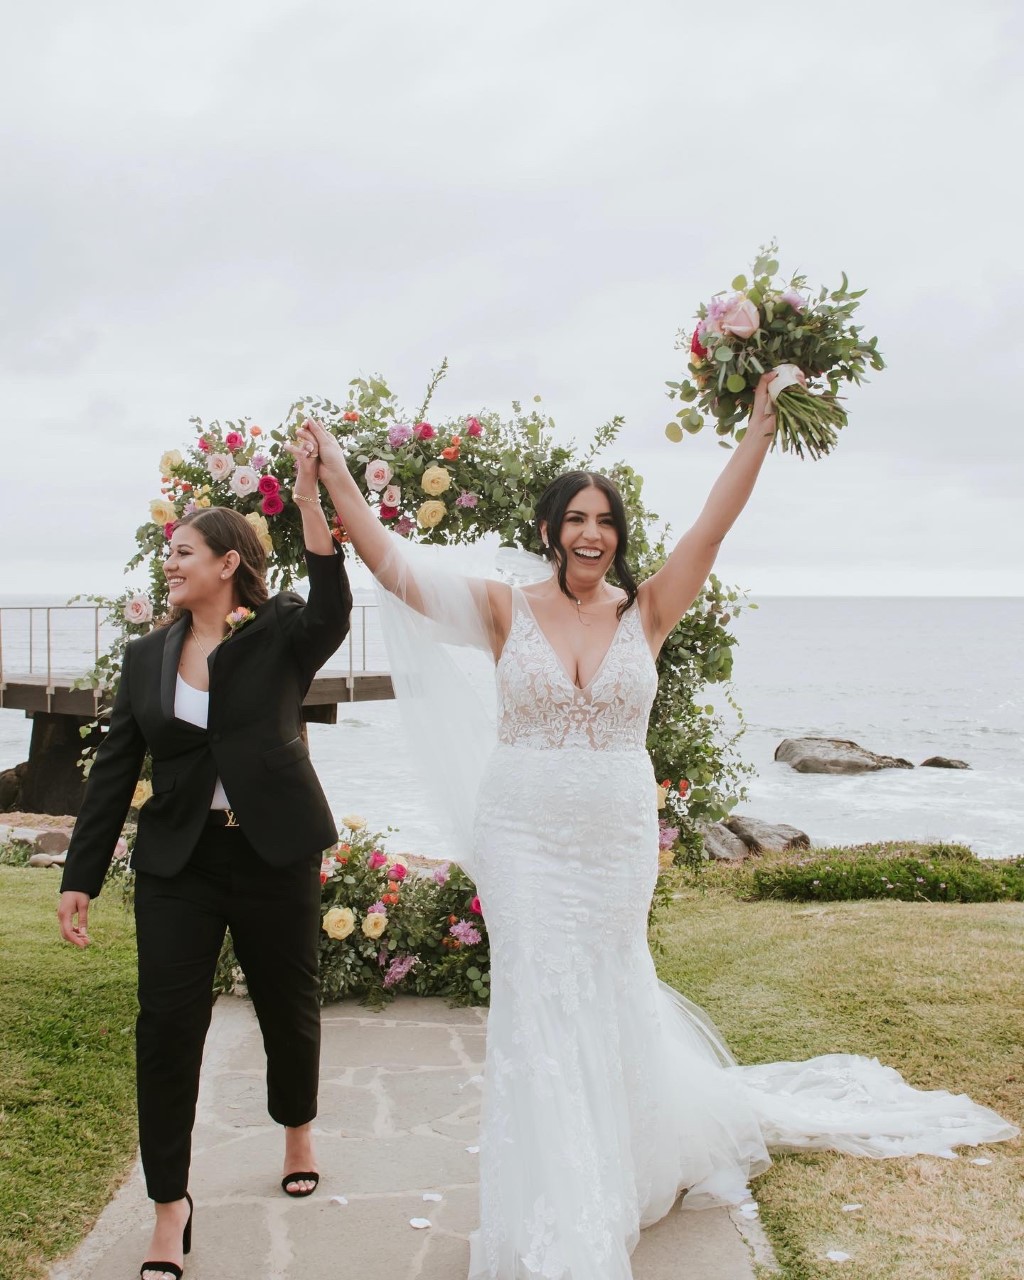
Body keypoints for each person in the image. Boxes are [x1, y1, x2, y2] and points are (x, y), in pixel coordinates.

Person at [298, 376, 1017, 1280]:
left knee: (605, 989)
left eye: (605, 521)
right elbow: (393, 567)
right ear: (552, 529)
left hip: (611, 842)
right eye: (576, 519)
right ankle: (559, 1198)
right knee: (539, 1002)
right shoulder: (501, 608)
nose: (591, 534)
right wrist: (332, 479)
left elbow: (713, 526)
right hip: (520, 834)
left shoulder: (649, 611)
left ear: (619, 536)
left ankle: (622, 1157)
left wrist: (758, 428)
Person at [57, 442, 352, 1280]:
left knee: (288, 1010)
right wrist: (79, 876)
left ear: (228, 563)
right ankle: (168, 1208)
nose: (169, 564)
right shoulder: (147, 656)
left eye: (182, 552)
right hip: (177, 869)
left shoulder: (283, 635)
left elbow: (334, 601)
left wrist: (306, 499)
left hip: (274, 858)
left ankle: (296, 1127)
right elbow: (117, 767)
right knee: (166, 1031)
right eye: (168, 553)